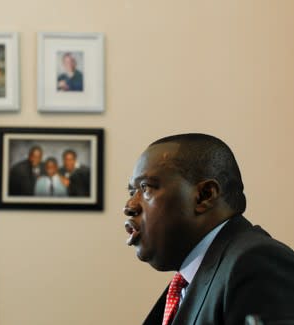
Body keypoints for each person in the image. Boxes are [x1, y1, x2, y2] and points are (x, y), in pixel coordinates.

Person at [123, 133, 294, 325]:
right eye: (132, 192)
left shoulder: (256, 262)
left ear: (205, 196)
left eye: (146, 188)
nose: (129, 206)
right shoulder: (189, 278)